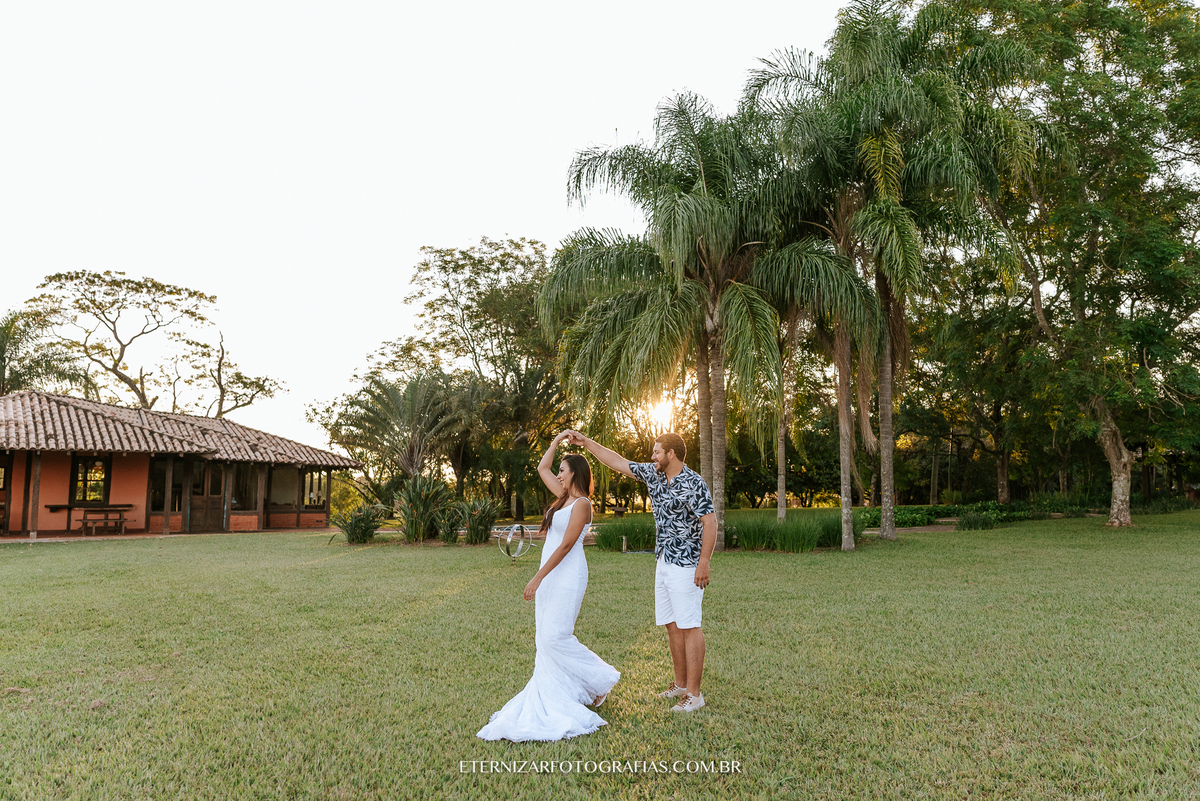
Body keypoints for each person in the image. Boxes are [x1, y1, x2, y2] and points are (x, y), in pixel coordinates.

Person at [476, 430, 620, 742]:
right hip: (551, 573)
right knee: (545, 636)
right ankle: (575, 689)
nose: (558, 474)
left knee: (556, 636)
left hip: (567, 575)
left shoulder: (581, 503)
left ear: (574, 474)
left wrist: (537, 576)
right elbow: (542, 468)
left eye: (563, 471)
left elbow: (567, 545)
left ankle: (600, 680)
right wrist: (556, 442)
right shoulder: (562, 497)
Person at [565, 430, 715, 713]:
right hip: (663, 561)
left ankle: (695, 695)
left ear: (671, 454)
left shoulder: (694, 483)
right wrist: (587, 442)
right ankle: (681, 684)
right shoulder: (654, 475)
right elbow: (618, 461)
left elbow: (711, 522)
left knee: (690, 625)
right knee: (671, 624)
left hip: (687, 564)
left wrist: (704, 562)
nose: (652, 456)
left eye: (657, 452)